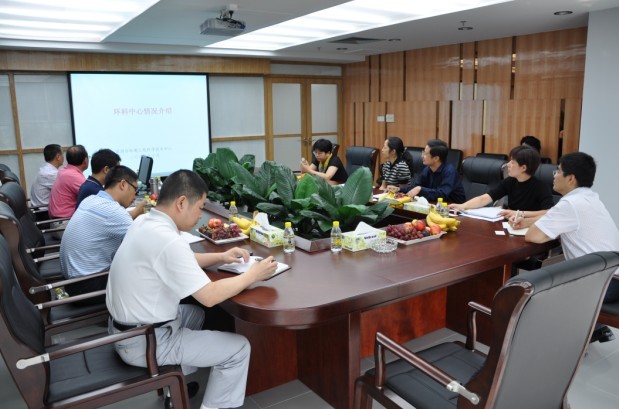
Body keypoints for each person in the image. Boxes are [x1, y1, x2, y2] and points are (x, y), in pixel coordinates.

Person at [106, 170, 277, 409]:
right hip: (145, 342)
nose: (200, 215)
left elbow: (180, 259)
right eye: (200, 207)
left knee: (196, 315)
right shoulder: (168, 240)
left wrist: (221, 257)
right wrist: (253, 275)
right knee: (238, 349)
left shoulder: (145, 221)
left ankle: (174, 388)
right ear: (181, 202)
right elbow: (209, 296)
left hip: (125, 330)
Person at [515, 152, 619, 342]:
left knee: (535, 283)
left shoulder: (570, 203)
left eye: (558, 171)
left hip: (604, 285)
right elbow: (556, 217)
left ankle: (565, 341)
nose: (554, 175)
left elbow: (533, 236)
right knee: (554, 266)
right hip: (613, 277)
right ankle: (594, 329)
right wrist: (529, 220)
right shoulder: (589, 198)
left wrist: (529, 224)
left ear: (570, 178)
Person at [60, 165, 144, 298]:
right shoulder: (113, 211)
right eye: (135, 189)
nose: (135, 196)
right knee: (145, 270)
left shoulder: (91, 200)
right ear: (123, 184)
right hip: (86, 286)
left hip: (71, 281)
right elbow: (144, 243)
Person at [450, 145, 553, 217]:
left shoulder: (541, 187)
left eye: (512, 162)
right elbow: (485, 198)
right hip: (510, 223)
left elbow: (548, 212)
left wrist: (519, 213)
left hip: (529, 227)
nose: (508, 165)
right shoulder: (510, 181)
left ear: (523, 168)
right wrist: (462, 206)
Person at [402, 139, 465, 204]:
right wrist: (398, 189)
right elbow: (416, 187)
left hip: (454, 206)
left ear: (436, 158)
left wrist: (420, 189)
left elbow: (442, 194)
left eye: (425, 153)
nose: (422, 156)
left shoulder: (450, 171)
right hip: (434, 204)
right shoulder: (427, 169)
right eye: (423, 152)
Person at [48, 144, 88, 219]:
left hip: (58, 218)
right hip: (64, 220)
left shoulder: (64, 170)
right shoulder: (73, 176)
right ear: (85, 161)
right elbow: (93, 196)